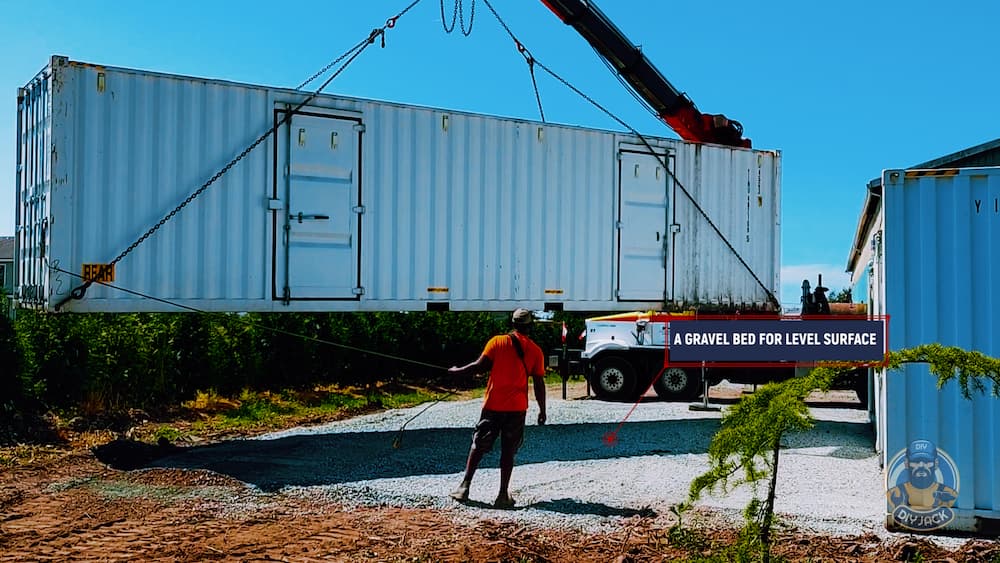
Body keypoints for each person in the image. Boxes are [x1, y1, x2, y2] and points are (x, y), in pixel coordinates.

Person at [448, 308, 547, 508]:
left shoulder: (497, 342)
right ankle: (503, 495)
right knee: (508, 451)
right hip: (517, 408)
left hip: (493, 404)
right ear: (530, 326)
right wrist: (542, 410)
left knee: (479, 445)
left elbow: (478, 366)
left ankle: (464, 487)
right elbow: (539, 384)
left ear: (512, 323)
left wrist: (457, 371)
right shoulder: (536, 351)